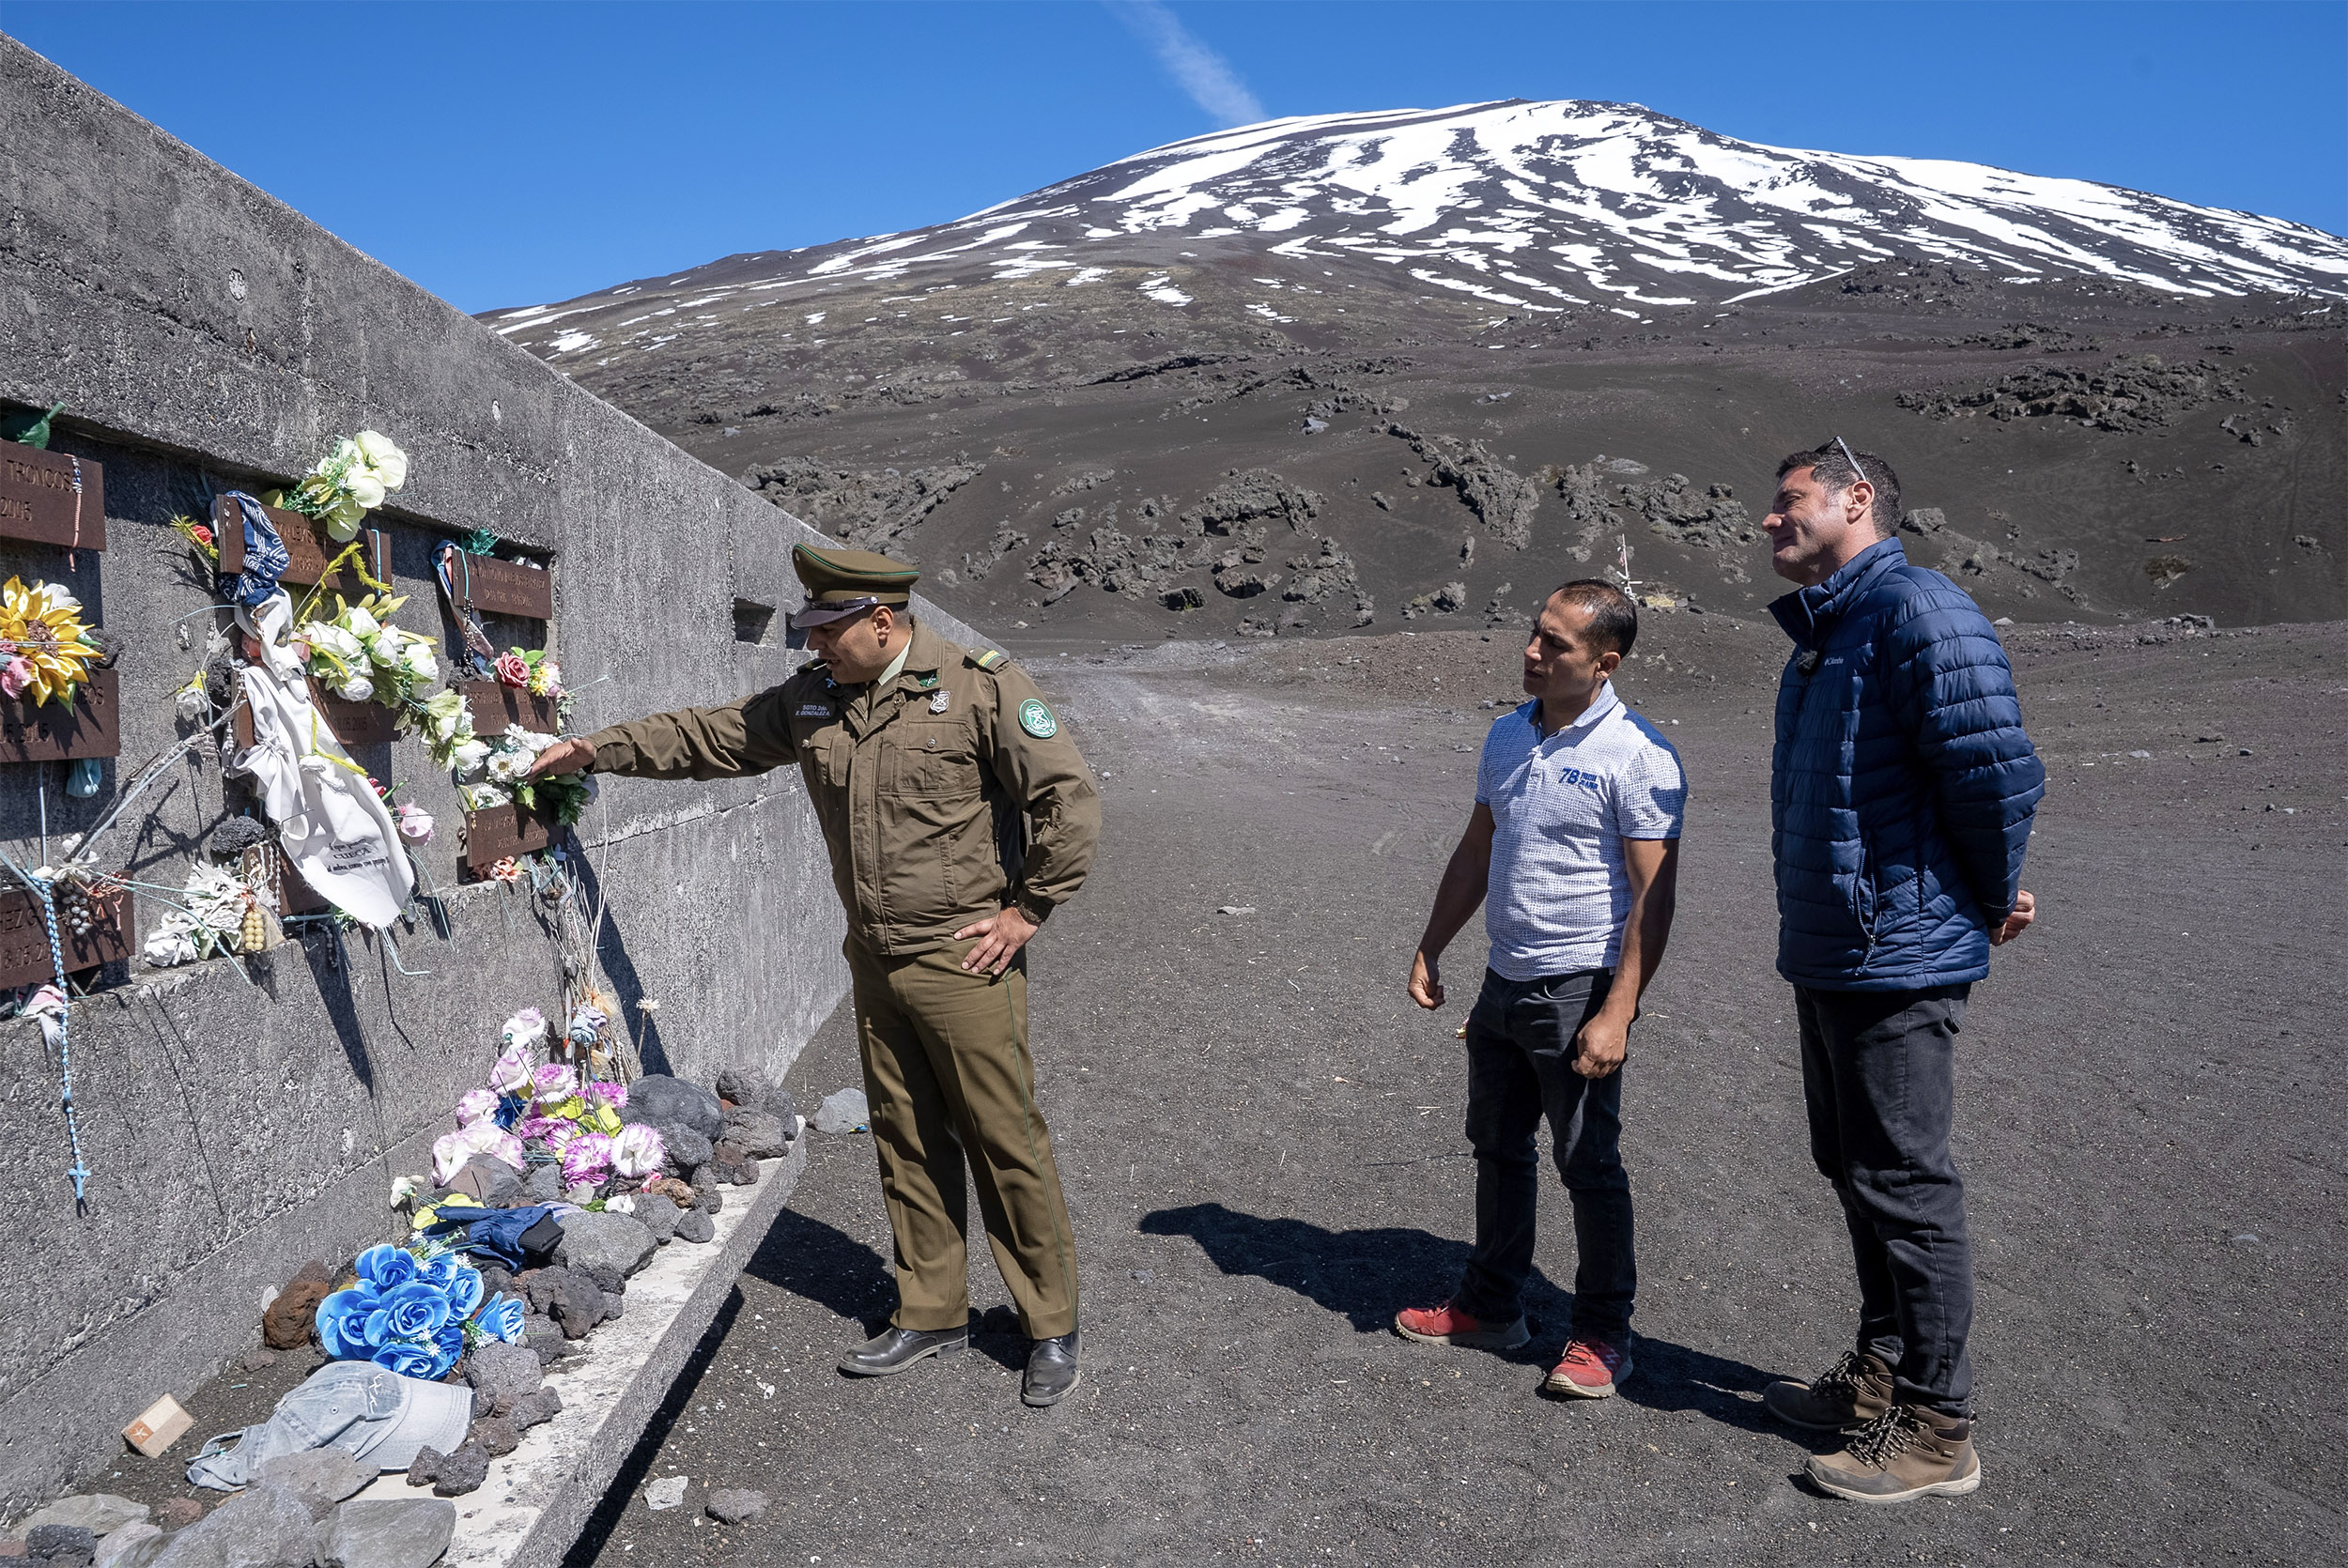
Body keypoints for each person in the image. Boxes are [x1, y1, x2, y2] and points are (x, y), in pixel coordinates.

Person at [527, 544, 1101, 1407]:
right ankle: (931, 1309)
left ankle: (1049, 1328)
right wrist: (594, 750)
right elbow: (711, 735)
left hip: (963, 961)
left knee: (1002, 1138)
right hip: (872, 957)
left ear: (882, 621)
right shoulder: (815, 699)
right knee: (907, 1139)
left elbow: (1068, 799)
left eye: (827, 630)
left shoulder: (979, 686)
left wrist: (1026, 911)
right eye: (808, 631)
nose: (813, 647)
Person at [1755, 441, 2045, 1502]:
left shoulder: (1919, 609)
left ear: (1856, 498)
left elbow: (1994, 765)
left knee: (1906, 1182)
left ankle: (1937, 1423)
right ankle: (1881, 1375)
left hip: (1895, 950)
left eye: (1787, 502)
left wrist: (1988, 888)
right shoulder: (1832, 628)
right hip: (1836, 947)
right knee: (1854, 1163)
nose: (1770, 522)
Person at [1396, 580, 1685, 1400]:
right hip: (1504, 979)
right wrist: (1432, 944)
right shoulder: (1506, 736)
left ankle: (1601, 1334)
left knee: (1588, 1163)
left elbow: (1652, 898)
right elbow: (1477, 847)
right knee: (1496, 1145)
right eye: (1534, 634)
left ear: (1605, 663)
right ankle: (1492, 1307)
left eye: (1555, 645)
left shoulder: (1638, 757)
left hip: (1579, 987)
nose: (1532, 652)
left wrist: (1617, 1012)